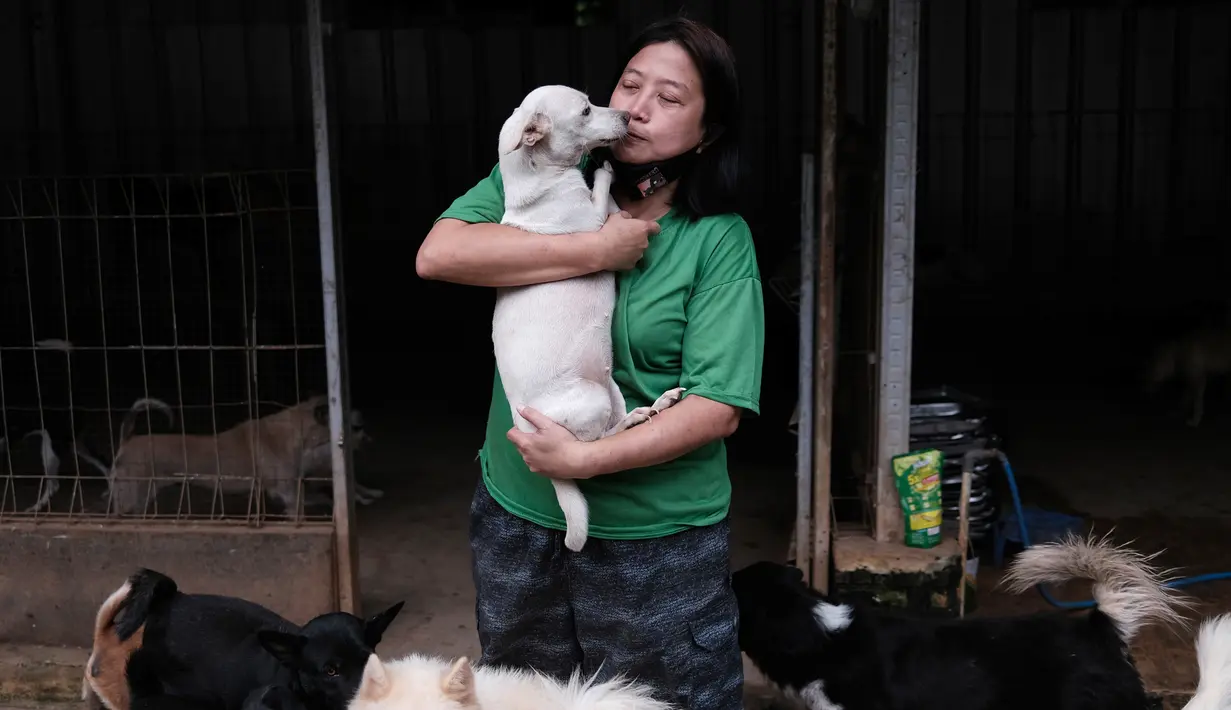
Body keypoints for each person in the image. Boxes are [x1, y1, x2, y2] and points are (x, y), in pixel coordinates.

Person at [415, 15, 763, 710]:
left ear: (708, 131)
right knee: (523, 698)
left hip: (654, 541)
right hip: (519, 514)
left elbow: (717, 406)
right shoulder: (541, 173)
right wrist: (593, 252)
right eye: (630, 83)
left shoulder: (717, 241)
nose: (637, 106)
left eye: (669, 99)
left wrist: (585, 462)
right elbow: (439, 255)